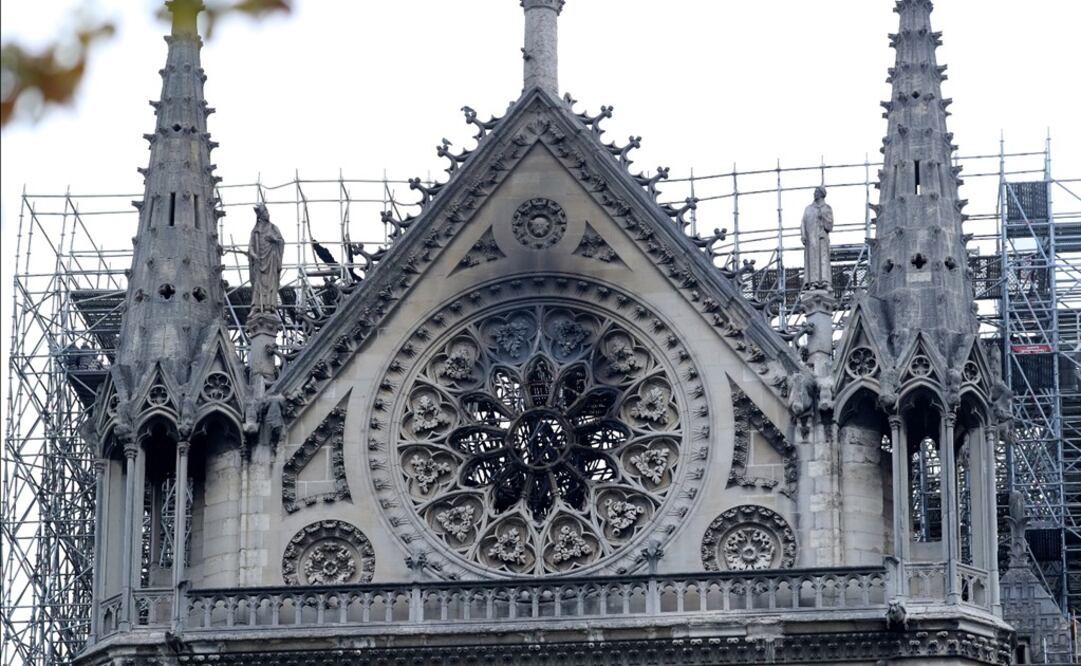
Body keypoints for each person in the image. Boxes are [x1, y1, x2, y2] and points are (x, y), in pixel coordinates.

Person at [248, 203, 284, 314]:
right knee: (258, 283)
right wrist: (253, 255)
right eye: (265, 212)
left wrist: (274, 240)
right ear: (261, 215)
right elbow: (251, 246)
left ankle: (269, 306)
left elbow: (281, 241)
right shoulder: (256, 231)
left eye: (267, 212)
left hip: (271, 260)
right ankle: (256, 306)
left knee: (270, 284)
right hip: (259, 261)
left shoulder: (273, 228)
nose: (268, 214)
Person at [801, 186, 834, 290]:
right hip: (811, 240)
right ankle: (812, 282)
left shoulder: (827, 208)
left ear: (822, 194)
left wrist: (822, 216)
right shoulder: (808, 209)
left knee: (823, 259)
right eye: (814, 192)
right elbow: (803, 222)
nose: (814, 194)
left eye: (817, 192)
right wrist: (803, 235)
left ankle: (825, 282)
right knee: (812, 260)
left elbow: (830, 225)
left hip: (822, 238)